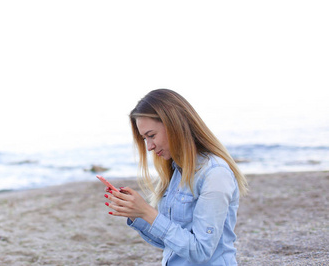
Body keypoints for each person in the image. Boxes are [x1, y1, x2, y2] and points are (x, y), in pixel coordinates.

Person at [103, 89, 248, 265]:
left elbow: (201, 252)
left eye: (151, 135)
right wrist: (137, 214)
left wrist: (148, 212)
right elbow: (169, 243)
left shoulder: (215, 173)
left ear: (174, 125)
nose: (149, 146)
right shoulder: (177, 170)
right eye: (144, 139)